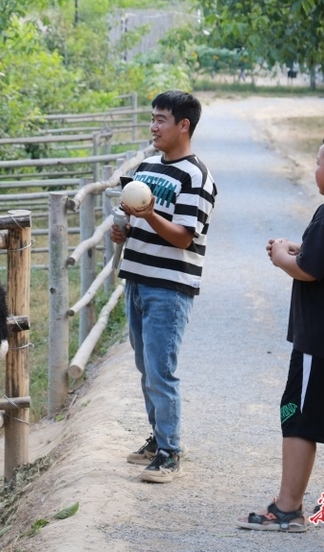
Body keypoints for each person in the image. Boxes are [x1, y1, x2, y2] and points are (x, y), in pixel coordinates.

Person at [237, 132, 324, 532]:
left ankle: (287, 508)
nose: (314, 169)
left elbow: (309, 269)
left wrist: (282, 256)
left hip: (321, 339)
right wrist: (302, 249)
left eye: (318, 162)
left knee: (297, 416)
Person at [110, 90, 217, 484]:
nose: (153, 126)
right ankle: (159, 439)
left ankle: (170, 452)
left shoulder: (197, 177)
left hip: (169, 287)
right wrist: (124, 229)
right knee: (145, 367)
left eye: (161, 120)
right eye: (152, 118)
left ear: (183, 125)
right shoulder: (148, 165)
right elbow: (135, 220)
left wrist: (149, 213)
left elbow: (184, 237)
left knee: (161, 370)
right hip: (137, 279)